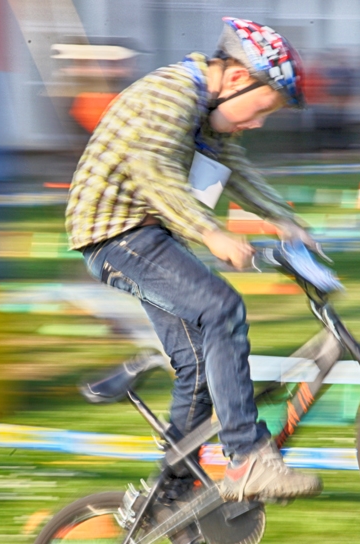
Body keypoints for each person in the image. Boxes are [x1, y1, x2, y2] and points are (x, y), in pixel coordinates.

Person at [66, 18, 321, 502]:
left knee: (200, 364)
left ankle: (170, 495)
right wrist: (210, 232)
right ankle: (247, 458)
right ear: (238, 78)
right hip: (117, 236)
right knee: (222, 308)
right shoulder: (172, 94)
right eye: (263, 110)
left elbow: (233, 168)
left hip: (146, 235)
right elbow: (156, 173)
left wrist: (284, 220)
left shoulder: (206, 108)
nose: (258, 124)